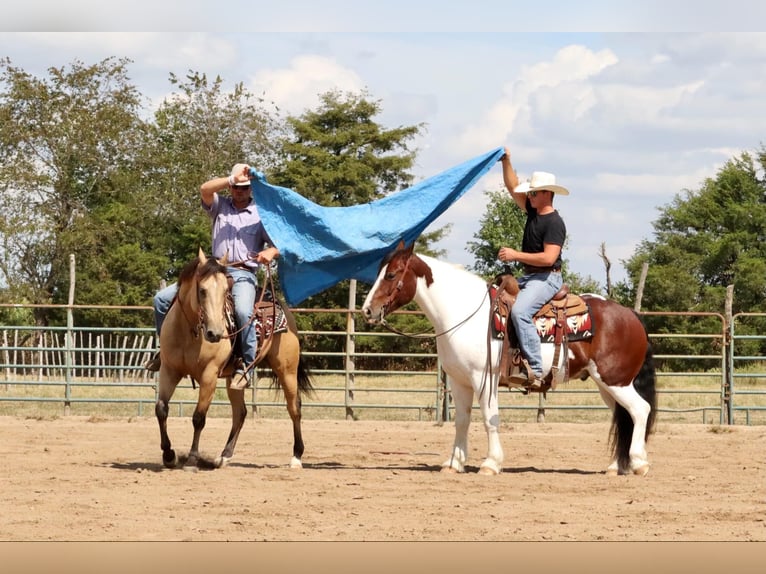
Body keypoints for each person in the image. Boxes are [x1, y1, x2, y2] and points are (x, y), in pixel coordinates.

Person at [146, 163, 280, 391]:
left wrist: (270, 252)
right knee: (161, 300)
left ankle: (246, 366)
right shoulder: (220, 206)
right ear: (231, 188)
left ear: (251, 189)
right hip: (213, 268)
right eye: (237, 187)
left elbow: (277, 245)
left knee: (243, 311)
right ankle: (165, 352)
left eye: (245, 187)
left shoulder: (260, 215)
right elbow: (205, 189)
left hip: (243, 272)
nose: (240, 191)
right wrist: (231, 178)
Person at [498, 146, 568, 389]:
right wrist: (506, 161)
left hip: (547, 278)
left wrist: (516, 255)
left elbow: (549, 259)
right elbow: (511, 186)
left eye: (534, 193)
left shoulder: (555, 223)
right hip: (530, 276)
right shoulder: (532, 211)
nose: (530, 196)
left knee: (520, 312)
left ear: (547, 194)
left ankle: (536, 370)